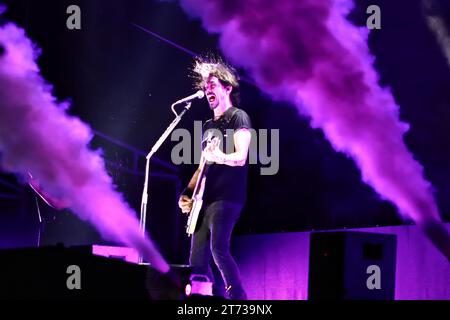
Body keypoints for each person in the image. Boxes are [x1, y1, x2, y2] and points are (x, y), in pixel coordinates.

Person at [178, 58, 252, 300]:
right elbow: (202, 167)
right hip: (204, 200)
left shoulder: (238, 117)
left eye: (212, 85)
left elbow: (240, 157)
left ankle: (238, 299)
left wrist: (219, 155)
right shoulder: (209, 124)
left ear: (227, 88)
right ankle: (205, 299)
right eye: (205, 86)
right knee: (196, 259)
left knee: (218, 248)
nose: (207, 89)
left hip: (228, 197)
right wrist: (188, 192)